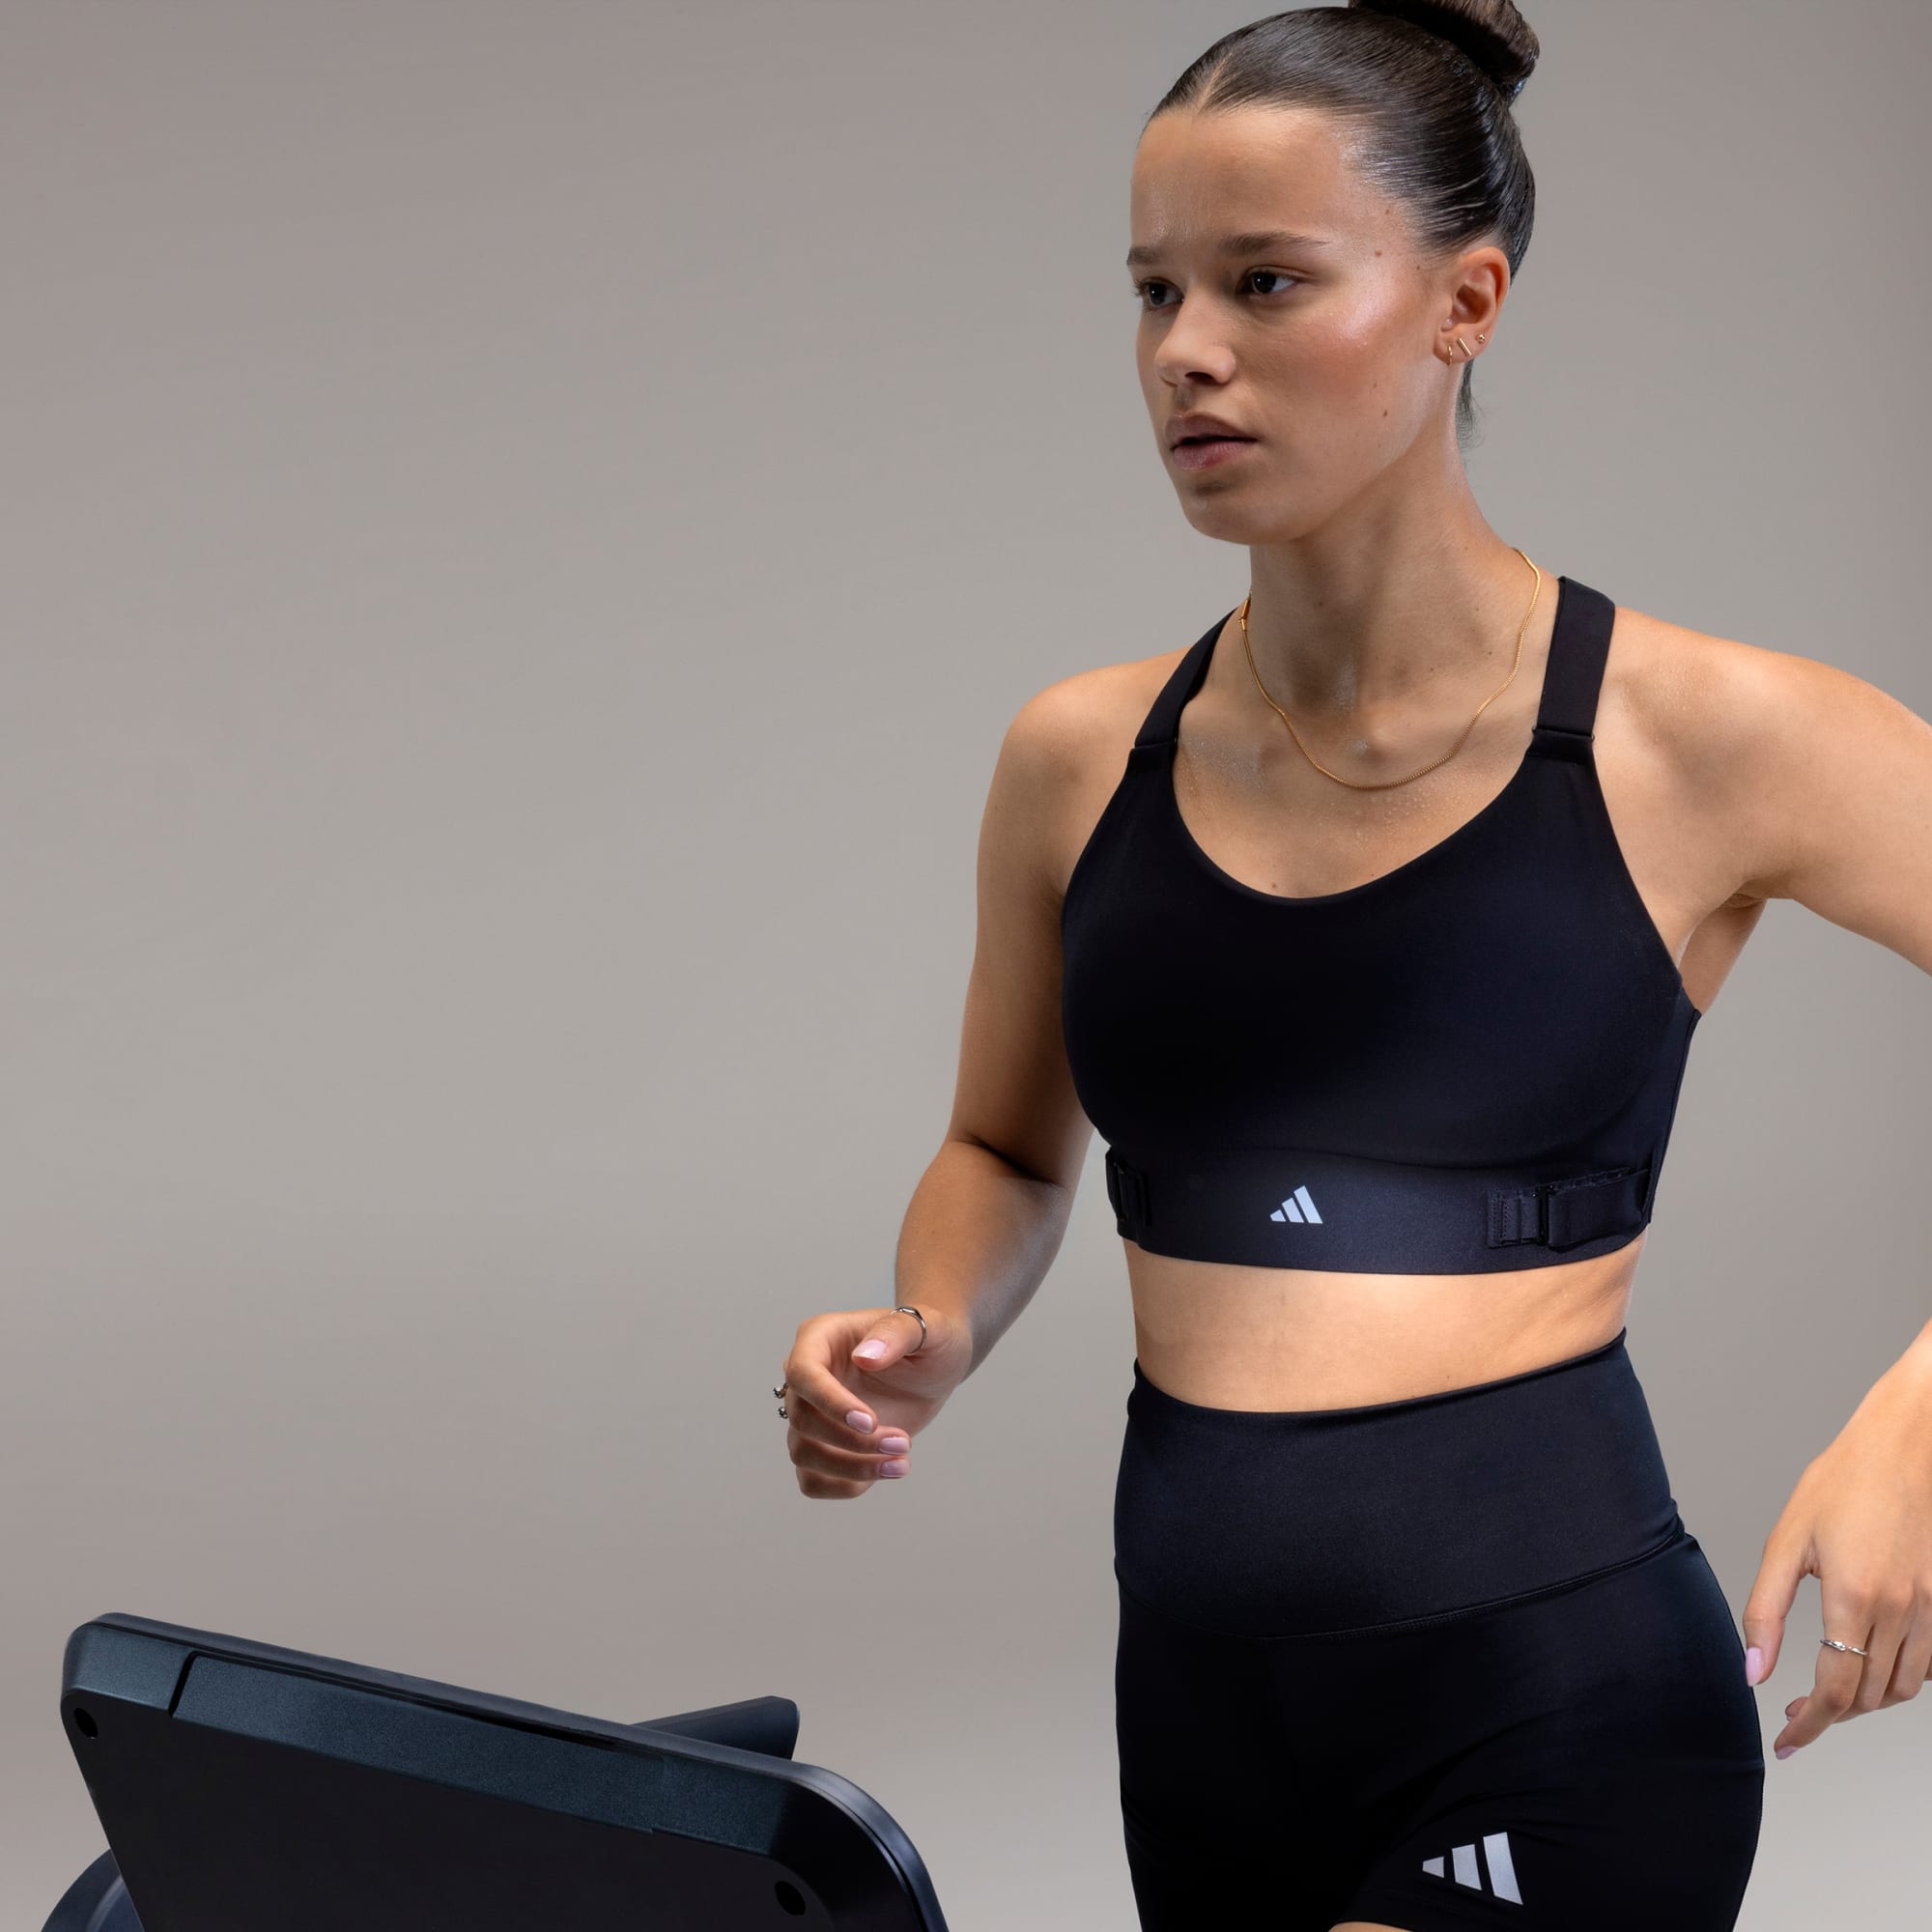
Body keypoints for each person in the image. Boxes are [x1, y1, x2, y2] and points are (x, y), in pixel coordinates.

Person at [776, 5, 1932, 1927]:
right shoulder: (1081, 758)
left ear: (1465, 302)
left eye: (1264, 281)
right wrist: (930, 1327)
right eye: (1153, 291)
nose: (1185, 350)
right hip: (1200, 1722)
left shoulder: (1701, 736)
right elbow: (1004, 1149)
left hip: (1557, 1712)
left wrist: (1919, 1419)